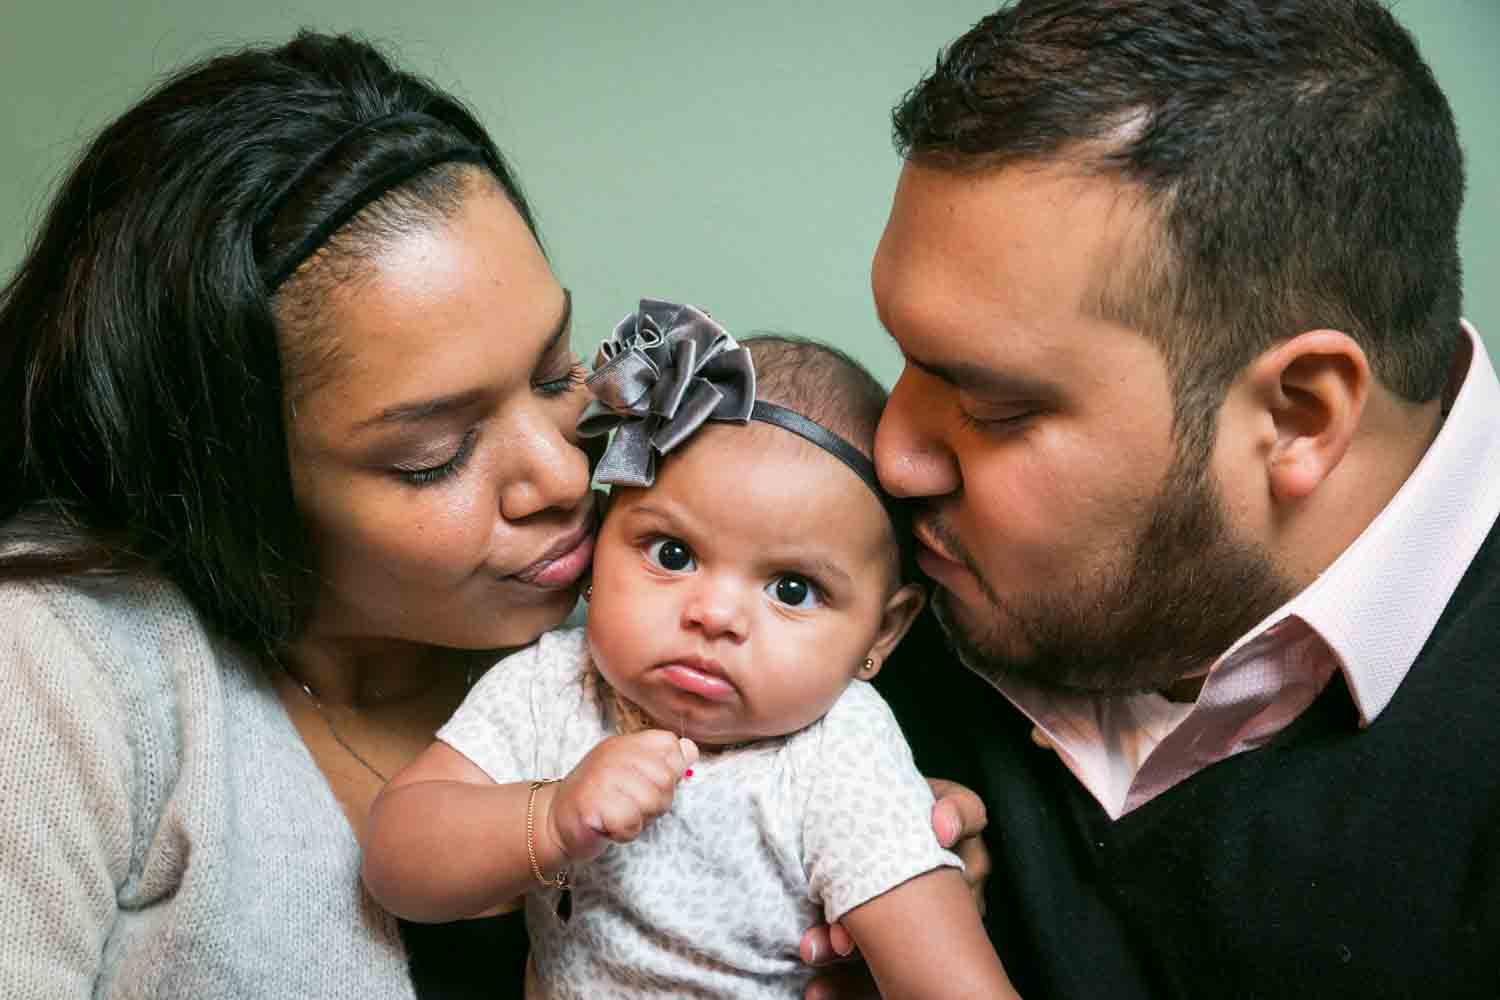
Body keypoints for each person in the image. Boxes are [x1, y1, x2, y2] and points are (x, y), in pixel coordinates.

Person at [0, 32, 984, 1000]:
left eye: (559, 375)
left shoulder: (651, 617)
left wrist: (886, 891)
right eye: (437, 455)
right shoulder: (65, 674)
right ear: (232, 483)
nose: (565, 476)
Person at [867, 0, 1498, 997]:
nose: (893, 457)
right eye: (902, 358)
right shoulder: (833, 576)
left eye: (987, 400)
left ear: (1297, 413)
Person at [363, 308, 1015, 1000]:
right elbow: (394, 864)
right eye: (672, 554)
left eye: (793, 590)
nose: (715, 615)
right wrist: (547, 819)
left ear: (881, 635)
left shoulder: (841, 755)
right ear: (601, 540)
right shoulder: (556, 685)